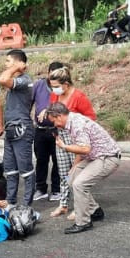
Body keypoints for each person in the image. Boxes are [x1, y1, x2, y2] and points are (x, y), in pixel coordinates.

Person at [46, 102, 121, 234]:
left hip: (108, 157)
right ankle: (95, 211)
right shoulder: (71, 121)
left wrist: (64, 147)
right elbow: (81, 150)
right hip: (94, 157)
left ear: (59, 116)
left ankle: (83, 222)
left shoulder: (77, 124)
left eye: (54, 121)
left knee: (79, 184)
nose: (54, 125)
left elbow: (85, 149)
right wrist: (74, 168)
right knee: (71, 179)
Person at [46, 66, 97, 219]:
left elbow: (91, 119)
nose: (53, 90)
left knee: (77, 173)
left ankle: (80, 206)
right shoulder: (55, 97)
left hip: (77, 138)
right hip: (60, 138)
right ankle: (63, 204)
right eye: (52, 86)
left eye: (56, 87)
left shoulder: (79, 97)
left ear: (66, 84)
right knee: (63, 173)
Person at [0, 49, 36, 208]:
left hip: (22, 129)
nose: (5, 65)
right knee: (10, 168)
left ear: (18, 62)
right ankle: (11, 201)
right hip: (10, 129)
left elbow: (2, 79)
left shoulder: (25, 80)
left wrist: (17, 67)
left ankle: (27, 204)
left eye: (8, 61)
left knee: (25, 168)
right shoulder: (16, 80)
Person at [32, 61, 65, 202]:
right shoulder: (39, 85)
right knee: (41, 160)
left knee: (58, 161)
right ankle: (41, 189)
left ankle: (57, 190)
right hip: (40, 130)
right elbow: (30, 102)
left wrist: (49, 110)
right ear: (48, 72)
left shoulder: (62, 87)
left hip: (56, 130)